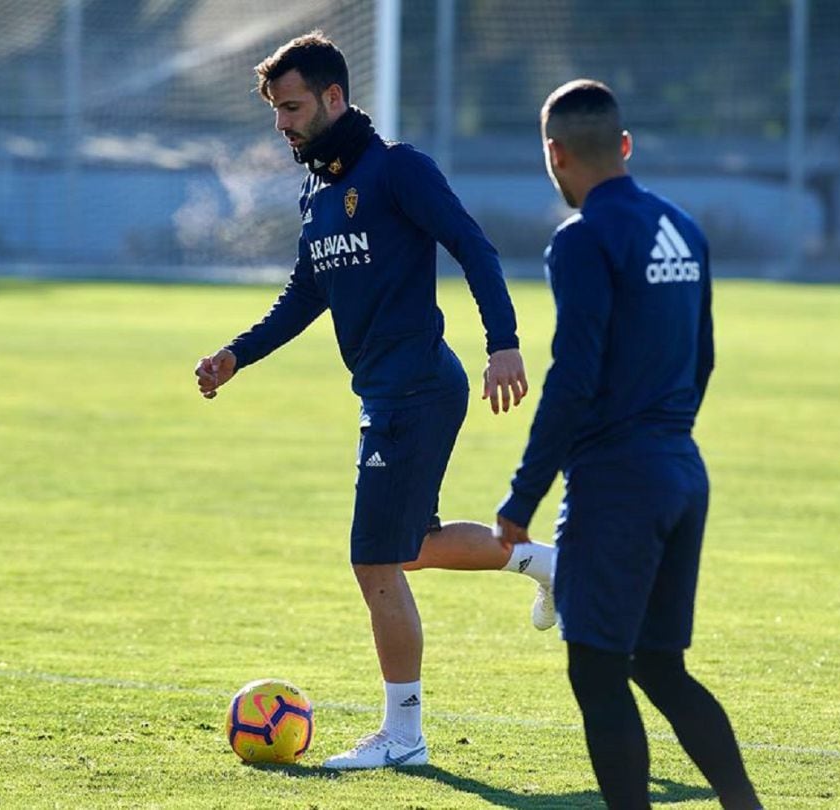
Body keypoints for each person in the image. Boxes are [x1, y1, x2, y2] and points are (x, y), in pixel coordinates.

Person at [194, 31, 557, 770]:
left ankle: (404, 735)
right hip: (388, 391)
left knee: (373, 562)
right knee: (410, 548)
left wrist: (505, 343)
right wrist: (238, 354)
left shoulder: (397, 171)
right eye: (274, 110)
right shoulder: (317, 189)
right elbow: (306, 294)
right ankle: (549, 563)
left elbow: (471, 245)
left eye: (292, 106)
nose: (281, 123)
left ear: (334, 97)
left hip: (417, 387)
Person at [494, 79, 763, 809]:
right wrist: (666, 440)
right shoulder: (683, 226)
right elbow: (703, 356)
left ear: (554, 154)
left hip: (619, 483)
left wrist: (523, 495)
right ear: (624, 145)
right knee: (658, 665)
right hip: (680, 468)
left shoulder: (581, 239)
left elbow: (574, 376)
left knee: (598, 672)